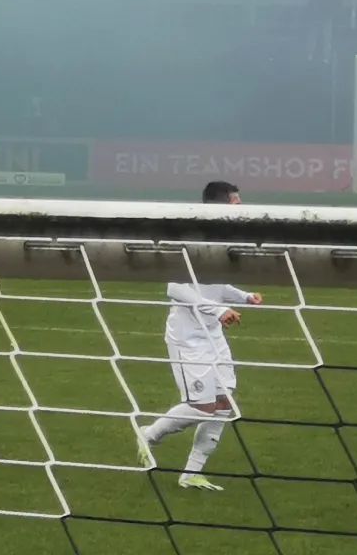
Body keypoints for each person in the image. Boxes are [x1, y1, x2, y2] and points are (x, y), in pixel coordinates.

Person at [134, 181, 261, 491]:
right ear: (218, 205)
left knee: (224, 404)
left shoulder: (223, 240)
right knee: (201, 406)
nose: (240, 208)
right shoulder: (191, 237)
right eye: (235, 203)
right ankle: (148, 434)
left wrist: (243, 296)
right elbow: (175, 287)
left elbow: (214, 284)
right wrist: (218, 310)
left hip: (213, 336)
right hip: (188, 339)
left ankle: (191, 473)